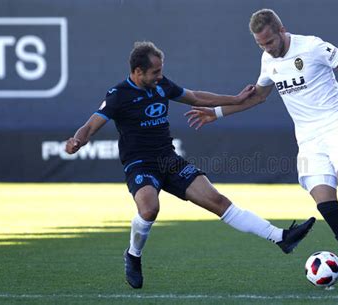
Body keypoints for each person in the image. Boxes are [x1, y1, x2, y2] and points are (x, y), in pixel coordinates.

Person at [185, 9, 338, 290]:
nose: (267, 48)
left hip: (335, 126)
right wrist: (217, 113)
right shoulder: (268, 60)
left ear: (282, 30)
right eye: (261, 45)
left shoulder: (313, 46)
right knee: (328, 208)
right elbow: (258, 96)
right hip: (308, 140)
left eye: (270, 42)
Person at [64, 41, 315, 289]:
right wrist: (77, 140)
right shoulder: (118, 95)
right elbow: (91, 125)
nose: (160, 76)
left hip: (168, 159)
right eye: (155, 72)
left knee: (218, 201)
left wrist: (236, 99)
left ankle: (281, 237)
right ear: (138, 72)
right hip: (140, 164)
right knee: (150, 209)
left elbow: (195, 97)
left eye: (161, 70)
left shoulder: (161, 85)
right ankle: (133, 255)